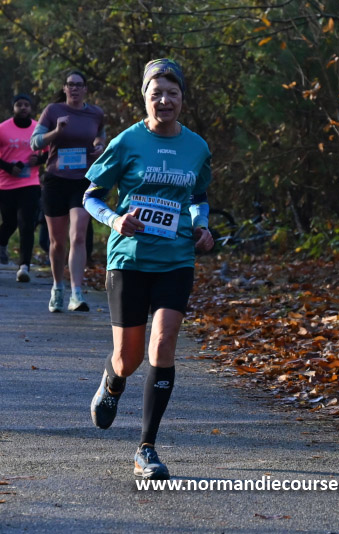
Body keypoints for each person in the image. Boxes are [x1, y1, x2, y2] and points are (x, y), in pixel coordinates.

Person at [84, 59, 213, 480]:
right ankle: (112, 381)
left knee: (164, 341)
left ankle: (146, 448)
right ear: (145, 98)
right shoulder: (127, 142)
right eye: (156, 93)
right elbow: (91, 196)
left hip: (176, 258)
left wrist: (201, 225)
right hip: (130, 259)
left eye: (172, 93)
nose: (164, 101)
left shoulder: (197, 147)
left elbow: (198, 197)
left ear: (182, 99)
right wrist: (115, 220)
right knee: (129, 357)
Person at [31, 70, 105, 312]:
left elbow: (100, 136)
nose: (74, 88)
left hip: (83, 180)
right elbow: (34, 142)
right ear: (64, 88)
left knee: (79, 236)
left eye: (79, 85)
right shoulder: (53, 111)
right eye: (70, 84)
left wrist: (99, 146)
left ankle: (77, 292)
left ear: (85, 89)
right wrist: (56, 131)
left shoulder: (95, 113)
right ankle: (57, 287)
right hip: (56, 181)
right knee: (57, 242)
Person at [0, 94, 46, 282]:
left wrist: (39, 160)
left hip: (30, 183)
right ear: (14, 108)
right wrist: (7, 167)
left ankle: (24, 266)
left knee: (27, 224)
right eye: (19, 105)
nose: (23, 108)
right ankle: (2, 243)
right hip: (6, 184)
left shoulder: (39, 129)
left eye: (27, 105)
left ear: (31, 108)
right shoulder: (2, 129)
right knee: (9, 223)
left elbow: (49, 152)